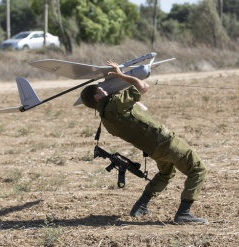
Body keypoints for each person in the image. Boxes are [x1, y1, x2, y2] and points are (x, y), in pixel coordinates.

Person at [80, 60, 208, 224]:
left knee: (166, 173)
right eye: (101, 89)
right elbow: (143, 87)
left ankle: (140, 206)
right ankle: (183, 213)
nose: (105, 89)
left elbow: (140, 109)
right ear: (97, 96)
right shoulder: (115, 105)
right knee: (197, 170)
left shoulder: (106, 119)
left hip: (154, 150)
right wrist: (121, 75)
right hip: (165, 142)